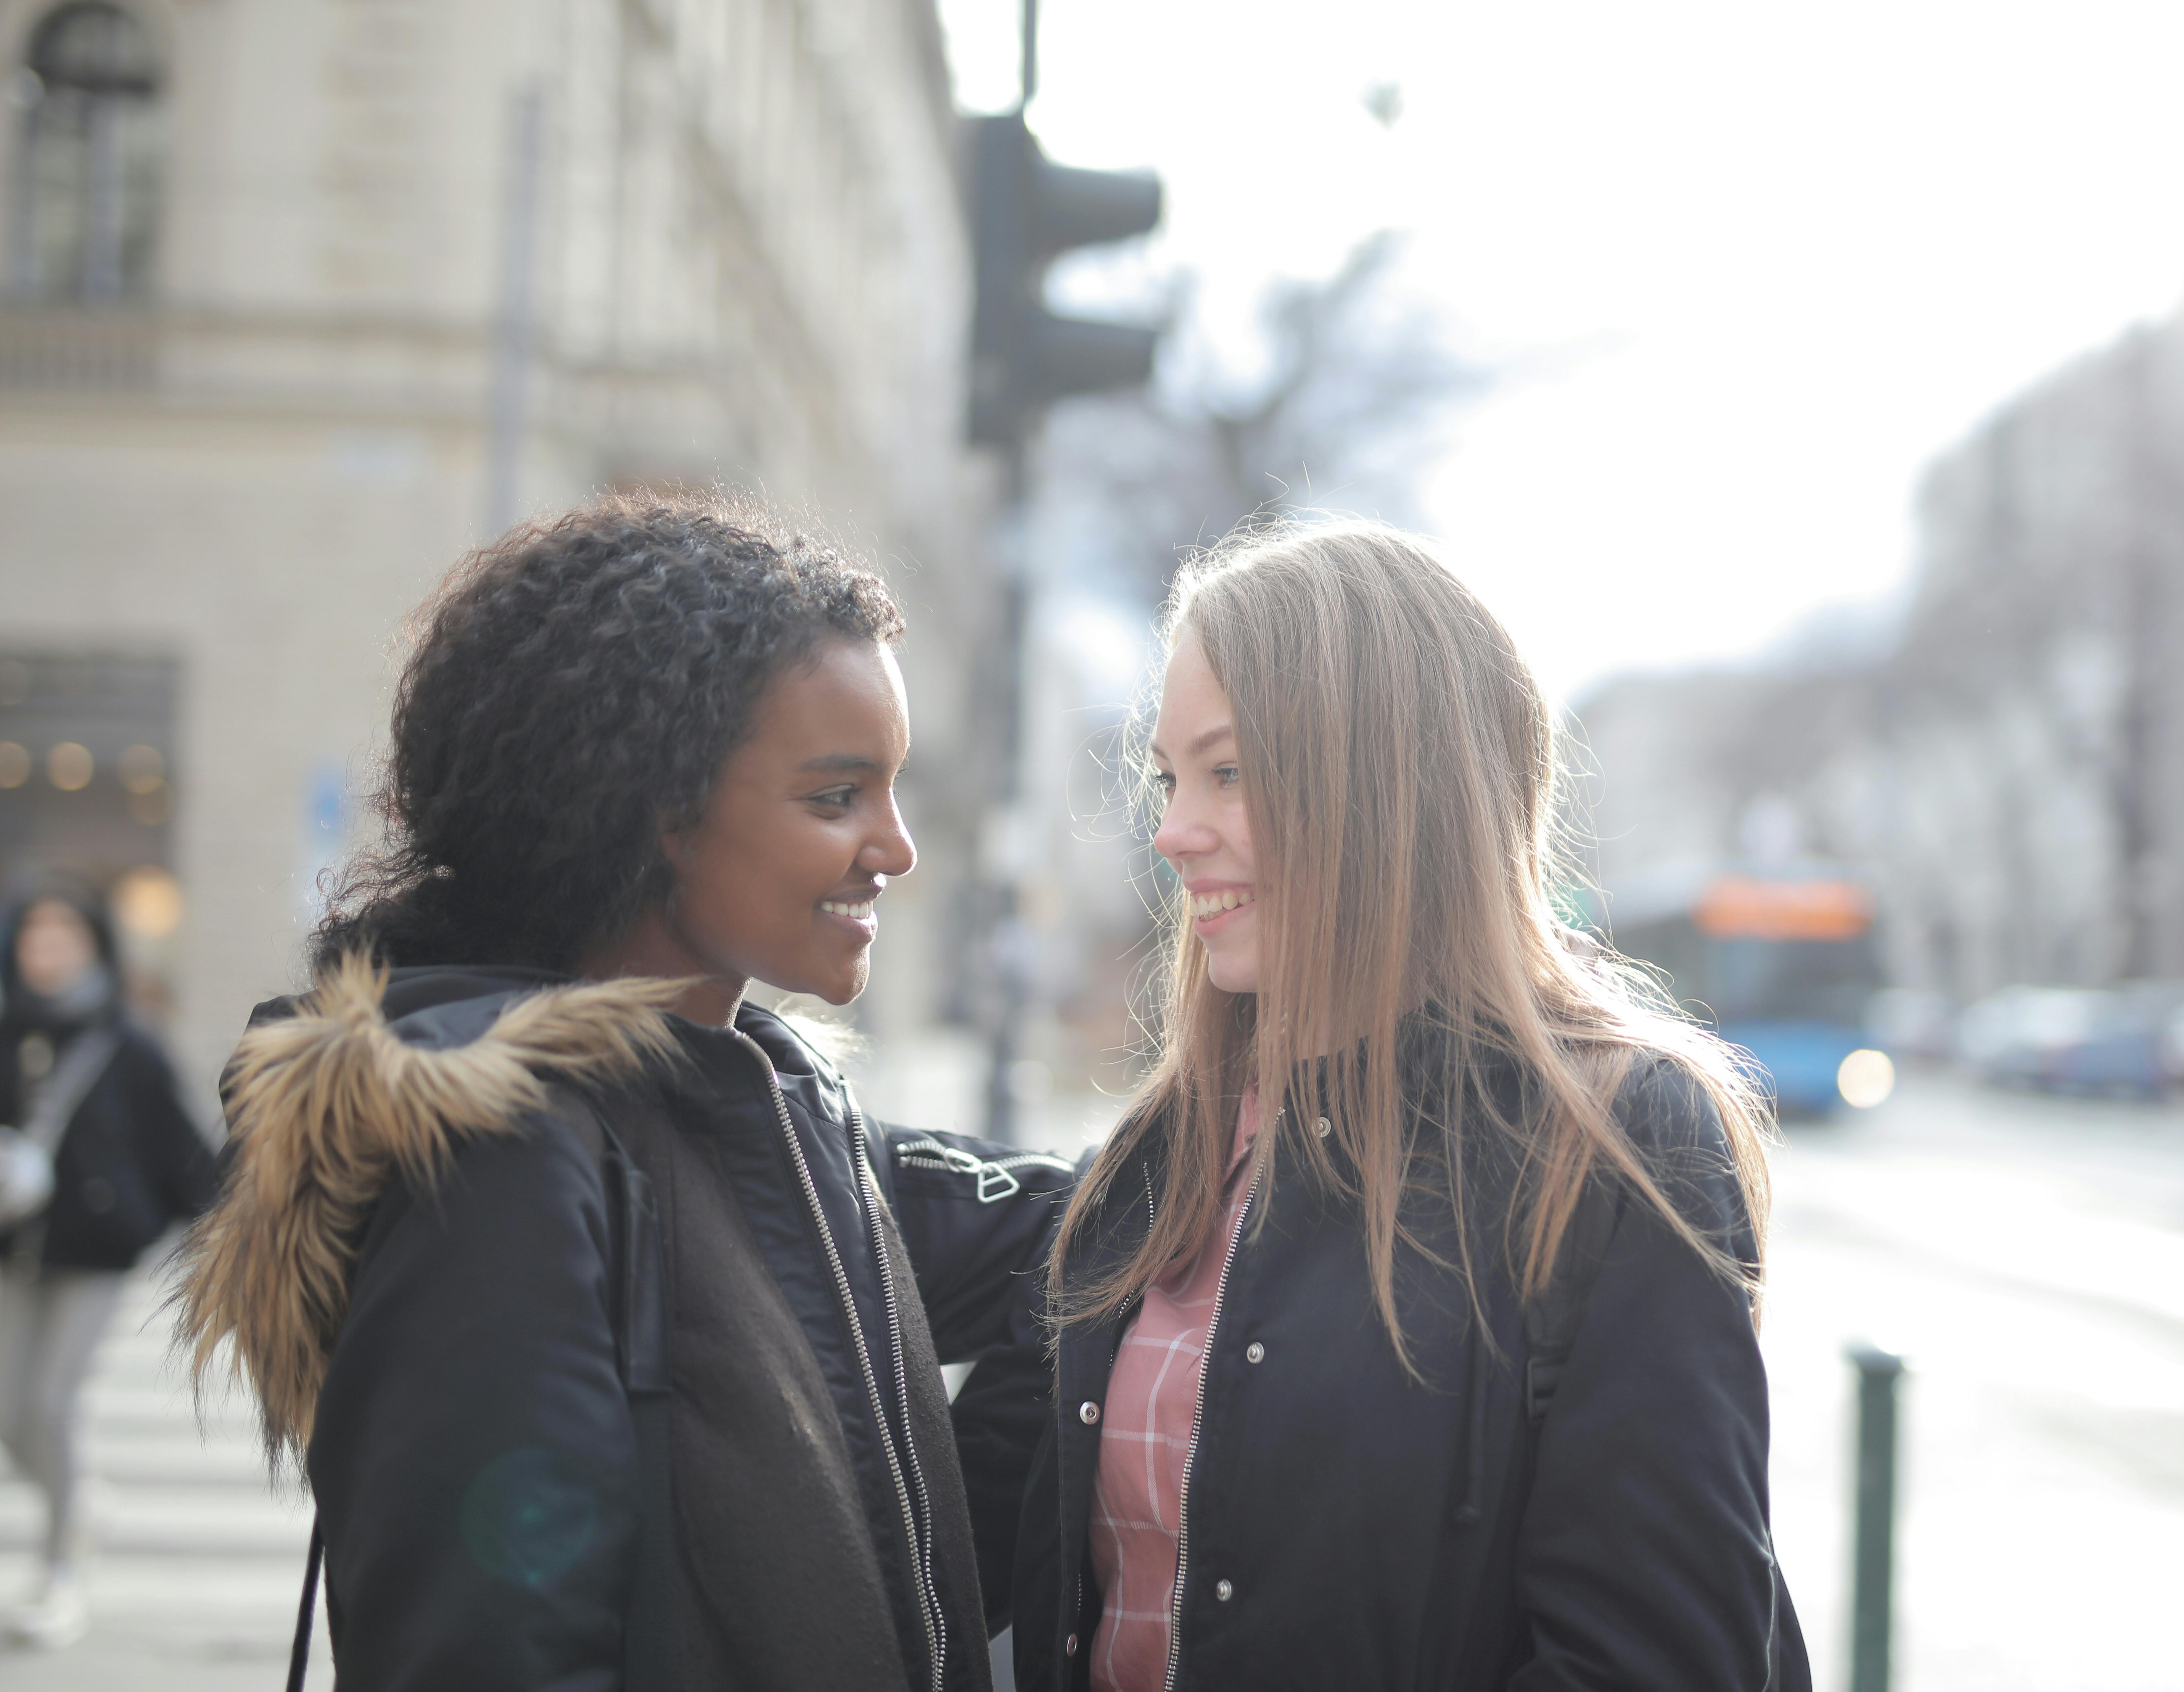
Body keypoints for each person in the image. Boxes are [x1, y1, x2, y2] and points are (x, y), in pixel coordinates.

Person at [176, 497, 1070, 1692]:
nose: (895, 848)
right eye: (835, 797)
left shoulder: (770, 1113)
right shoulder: (496, 1156)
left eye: (893, 792)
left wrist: (919, 1585)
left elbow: (1088, 1238)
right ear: (658, 810)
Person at [1011, 521, 1810, 1691]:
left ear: (1383, 784)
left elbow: (1655, 1658)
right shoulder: (1170, 1145)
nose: (1175, 832)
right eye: (1170, 777)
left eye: (1227, 772)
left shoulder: (1616, 1145)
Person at [0, 884, 218, 1648]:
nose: (47, 949)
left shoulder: (129, 1040)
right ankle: (81, 1498)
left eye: (63, 934)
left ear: (93, 944)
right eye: (35, 935)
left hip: (94, 1254)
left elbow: (187, 1153)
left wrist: (223, 1239)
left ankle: (61, 1569)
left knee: (52, 1404)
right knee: (8, 1413)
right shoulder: (5, 1029)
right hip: (13, 1250)